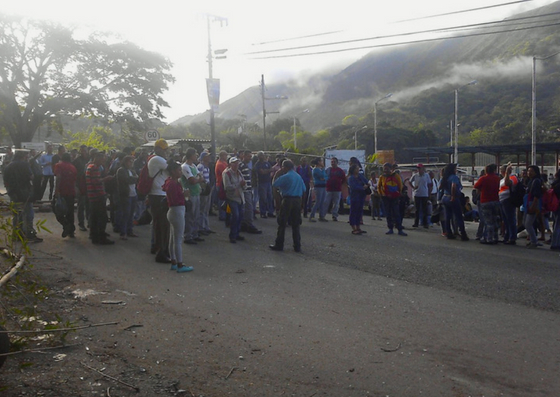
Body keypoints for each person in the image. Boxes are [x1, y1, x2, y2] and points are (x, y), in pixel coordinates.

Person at [3, 149, 42, 242]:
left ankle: (17, 234)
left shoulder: (9, 165)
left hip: (13, 193)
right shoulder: (25, 164)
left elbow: (6, 180)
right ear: (24, 156)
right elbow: (31, 176)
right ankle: (29, 234)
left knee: (17, 214)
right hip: (24, 192)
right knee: (28, 214)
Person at [163, 160, 193, 273]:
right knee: (178, 239)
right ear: (173, 171)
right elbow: (175, 199)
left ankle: (174, 262)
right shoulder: (173, 184)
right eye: (179, 170)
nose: (180, 172)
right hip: (177, 210)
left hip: (173, 211)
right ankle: (180, 264)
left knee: (173, 238)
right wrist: (183, 194)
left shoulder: (169, 181)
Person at [269, 160, 306, 252]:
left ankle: (279, 244)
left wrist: (277, 174)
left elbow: (274, 184)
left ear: (285, 167)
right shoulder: (298, 176)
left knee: (282, 223)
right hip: (297, 199)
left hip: (287, 199)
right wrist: (302, 205)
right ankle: (297, 246)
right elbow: (304, 190)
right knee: (296, 224)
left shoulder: (286, 176)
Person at [148, 139, 171, 262]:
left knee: (158, 225)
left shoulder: (155, 159)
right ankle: (162, 252)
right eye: (164, 149)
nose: (166, 151)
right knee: (163, 225)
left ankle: (157, 248)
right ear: (157, 149)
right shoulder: (158, 159)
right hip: (159, 195)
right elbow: (173, 169)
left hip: (157, 194)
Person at [86, 151, 114, 245]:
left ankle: (94, 236)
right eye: (103, 159)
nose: (104, 161)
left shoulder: (90, 166)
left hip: (93, 195)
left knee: (94, 217)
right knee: (101, 217)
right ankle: (100, 237)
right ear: (98, 159)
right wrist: (106, 179)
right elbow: (96, 181)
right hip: (97, 195)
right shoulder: (94, 168)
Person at [181, 148, 205, 245]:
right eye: (195, 155)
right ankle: (188, 236)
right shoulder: (185, 167)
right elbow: (192, 180)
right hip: (190, 194)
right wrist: (198, 179)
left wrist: (198, 179)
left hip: (196, 192)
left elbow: (199, 177)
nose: (196, 157)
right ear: (191, 155)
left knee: (196, 215)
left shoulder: (193, 166)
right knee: (190, 215)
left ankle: (195, 234)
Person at [440, 163, 469, 241]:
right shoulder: (454, 177)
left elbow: (440, 187)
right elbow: (454, 186)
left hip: (445, 197)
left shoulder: (445, 178)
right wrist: (453, 195)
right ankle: (463, 234)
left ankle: (448, 232)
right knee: (458, 216)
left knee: (447, 216)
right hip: (453, 198)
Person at [473, 164, 501, 244]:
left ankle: (489, 238)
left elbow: (476, 186)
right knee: (495, 219)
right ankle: (496, 237)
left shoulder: (483, 178)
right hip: (495, 200)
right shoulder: (497, 178)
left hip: (485, 201)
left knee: (488, 221)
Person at [378, 162, 407, 236]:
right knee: (388, 213)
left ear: (391, 169)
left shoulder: (396, 176)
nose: (385, 170)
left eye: (387, 169)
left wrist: (398, 194)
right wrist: (382, 194)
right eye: (384, 169)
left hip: (395, 197)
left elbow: (400, 185)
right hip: (386, 197)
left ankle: (399, 228)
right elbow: (379, 187)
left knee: (396, 213)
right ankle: (390, 228)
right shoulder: (382, 177)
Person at [54, 153, 77, 238]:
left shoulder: (58, 165)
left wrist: (56, 190)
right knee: (70, 212)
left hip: (62, 191)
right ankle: (71, 230)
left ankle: (66, 225)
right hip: (71, 191)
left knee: (57, 210)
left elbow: (58, 177)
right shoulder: (73, 167)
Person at [222, 157, 246, 243]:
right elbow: (227, 187)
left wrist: (243, 185)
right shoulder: (226, 173)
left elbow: (244, 184)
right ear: (230, 164)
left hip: (240, 197)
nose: (236, 165)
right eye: (234, 163)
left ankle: (237, 233)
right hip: (232, 198)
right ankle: (232, 235)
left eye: (237, 163)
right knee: (235, 216)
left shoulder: (239, 173)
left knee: (240, 216)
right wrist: (239, 184)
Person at [239, 149, 262, 234]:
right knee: (249, 208)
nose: (250, 158)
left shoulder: (245, 165)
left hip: (248, 189)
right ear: (244, 156)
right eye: (249, 156)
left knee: (246, 208)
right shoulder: (241, 165)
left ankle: (244, 224)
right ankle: (249, 224)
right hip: (245, 190)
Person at [116, 155, 138, 240]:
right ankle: (123, 232)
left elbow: (136, 178)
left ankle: (130, 230)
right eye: (130, 161)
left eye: (132, 162)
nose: (131, 163)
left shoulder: (132, 170)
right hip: (126, 195)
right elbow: (127, 180)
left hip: (133, 194)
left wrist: (134, 178)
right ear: (125, 162)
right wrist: (134, 178)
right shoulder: (121, 170)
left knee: (131, 214)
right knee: (125, 214)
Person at [523, 165, 543, 249]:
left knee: (528, 224)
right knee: (526, 223)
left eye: (531, 171)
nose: (529, 173)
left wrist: (533, 206)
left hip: (532, 202)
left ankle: (534, 241)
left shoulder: (536, 181)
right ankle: (533, 240)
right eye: (528, 171)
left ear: (536, 172)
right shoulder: (531, 180)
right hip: (529, 202)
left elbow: (536, 195)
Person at [499, 163, 518, 245]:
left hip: (508, 200)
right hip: (502, 200)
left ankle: (512, 237)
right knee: (505, 220)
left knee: (510, 219)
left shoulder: (513, 178)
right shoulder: (502, 179)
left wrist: (507, 173)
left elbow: (507, 183)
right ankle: (507, 236)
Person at [197, 151, 215, 235]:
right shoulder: (200, 166)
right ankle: (201, 227)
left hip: (208, 189)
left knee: (206, 209)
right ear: (203, 158)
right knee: (202, 209)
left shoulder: (207, 167)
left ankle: (206, 226)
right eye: (207, 156)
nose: (209, 158)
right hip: (204, 190)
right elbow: (200, 178)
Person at [348, 164, 369, 234]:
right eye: (356, 169)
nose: (358, 170)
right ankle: (353, 228)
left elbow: (366, 181)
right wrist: (362, 187)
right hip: (355, 197)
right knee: (354, 212)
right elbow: (354, 187)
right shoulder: (351, 178)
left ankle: (358, 227)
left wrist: (366, 185)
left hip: (361, 196)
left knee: (359, 212)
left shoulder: (360, 176)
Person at [73, 145, 90, 231]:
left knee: (89, 205)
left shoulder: (89, 159)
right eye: (82, 151)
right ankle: (81, 224)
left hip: (89, 185)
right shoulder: (77, 161)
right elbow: (73, 175)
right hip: (80, 185)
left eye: (85, 150)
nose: (84, 152)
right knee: (81, 205)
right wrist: (76, 187)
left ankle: (89, 222)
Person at [323, 157, 346, 221]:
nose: (333, 163)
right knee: (326, 202)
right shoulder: (328, 170)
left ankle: (334, 215)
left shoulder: (340, 171)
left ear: (337, 162)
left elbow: (344, 179)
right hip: (328, 189)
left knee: (336, 203)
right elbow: (324, 177)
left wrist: (341, 185)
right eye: (332, 162)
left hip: (337, 189)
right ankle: (323, 215)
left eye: (334, 162)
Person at [254, 151, 275, 218]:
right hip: (261, 183)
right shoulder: (257, 164)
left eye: (262, 155)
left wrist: (267, 171)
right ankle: (263, 212)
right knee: (263, 198)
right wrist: (268, 170)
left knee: (270, 197)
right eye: (260, 155)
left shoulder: (266, 163)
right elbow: (262, 172)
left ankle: (270, 212)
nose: (262, 156)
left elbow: (271, 169)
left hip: (268, 182)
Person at [410, 164, 431, 228]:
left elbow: (429, 184)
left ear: (422, 168)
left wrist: (429, 193)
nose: (419, 169)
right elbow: (409, 181)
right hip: (417, 194)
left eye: (420, 168)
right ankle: (416, 223)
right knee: (417, 209)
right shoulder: (415, 175)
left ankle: (425, 223)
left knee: (425, 209)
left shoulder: (426, 175)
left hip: (424, 194)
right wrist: (413, 187)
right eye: (418, 168)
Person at [309, 158, 328, 222]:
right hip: (318, 186)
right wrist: (323, 169)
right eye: (321, 161)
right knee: (318, 201)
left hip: (323, 186)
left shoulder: (320, 170)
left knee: (322, 201)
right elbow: (322, 175)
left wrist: (324, 178)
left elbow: (326, 177)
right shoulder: (316, 170)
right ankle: (312, 216)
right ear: (319, 162)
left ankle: (321, 216)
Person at [215, 150, 229, 221]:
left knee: (227, 200)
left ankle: (227, 214)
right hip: (221, 184)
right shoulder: (220, 163)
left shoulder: (224, 162)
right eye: (225, 155)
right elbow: (227, 171)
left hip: (223, 184)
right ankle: (222, 215)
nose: (226, 157)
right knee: (222, 200)